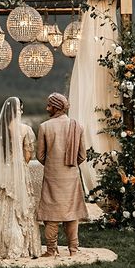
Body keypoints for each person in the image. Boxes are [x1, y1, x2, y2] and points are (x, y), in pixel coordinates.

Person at [0, 97, 41, 260]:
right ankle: (18, 245)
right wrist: (18, 165)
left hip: (0, 175)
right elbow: (27, 156)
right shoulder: (25, 129)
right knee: (19, 208)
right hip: (18, 175)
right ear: (18, 110)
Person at [36, 92, 88, 257]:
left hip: (52, 175)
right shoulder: (77, 126)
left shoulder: (45, 127)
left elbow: (40, 156)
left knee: (51, 214)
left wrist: (53, 164)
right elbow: (82, 156)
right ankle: (73, 249)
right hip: (71, 177)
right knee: (71, 212)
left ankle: (51, 250)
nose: (46, 108)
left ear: (55, 107)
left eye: (49, 105)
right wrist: (69, 166)